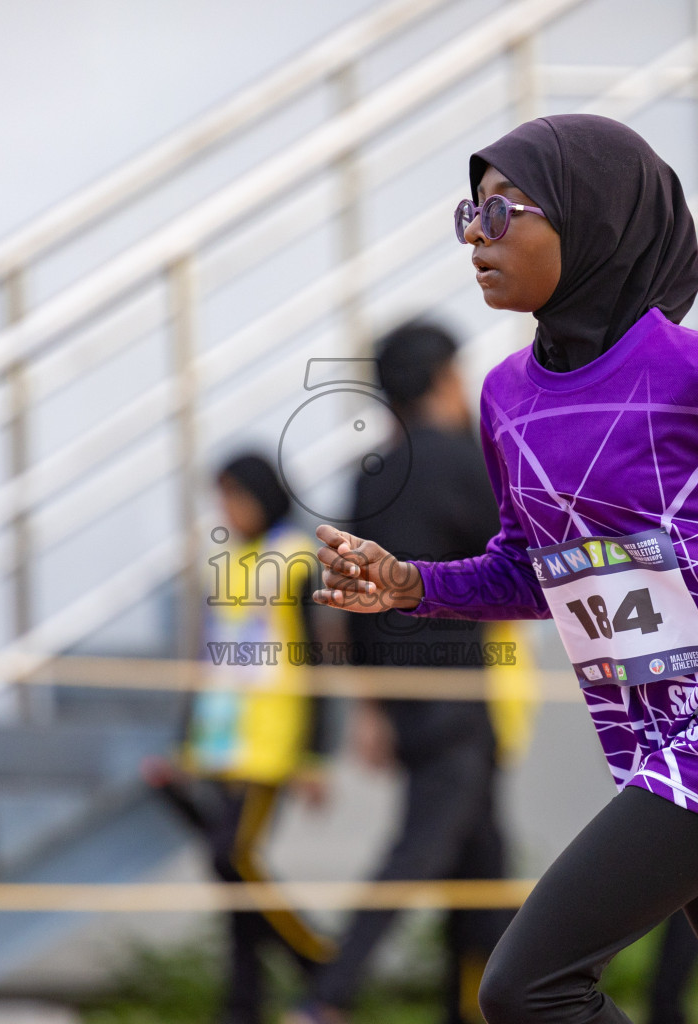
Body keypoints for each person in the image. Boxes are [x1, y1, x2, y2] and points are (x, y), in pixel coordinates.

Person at [311, 114, 698, 1024]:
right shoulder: (506, 396)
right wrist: (412, 585)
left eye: (505, 212)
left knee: (528, 987)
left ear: (593, 220)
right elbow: (533, 570)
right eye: (469, 212)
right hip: (652, 745)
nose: (476, 235)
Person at [290, 323, 513, 1024]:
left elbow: (352, 606)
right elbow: (514, 556)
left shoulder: (372, 473)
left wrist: (371, 706)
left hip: (405, 697)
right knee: (419, 852)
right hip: (454, 692)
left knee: (482, 864)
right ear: (444, 378)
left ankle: (479, 1007)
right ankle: (328, 998)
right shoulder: (457, 458)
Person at [142, 452, 335, 1024]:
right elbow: (207, 656)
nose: (228, 509)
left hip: (272, 740)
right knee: (233, 879)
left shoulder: (296, 558)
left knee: (234, 857)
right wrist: (185, 742)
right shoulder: (223, 558)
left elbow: (314, 658)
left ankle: (320, 960)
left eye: (236, 496)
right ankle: (243, 1006)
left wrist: (314, 754)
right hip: (220, 738)